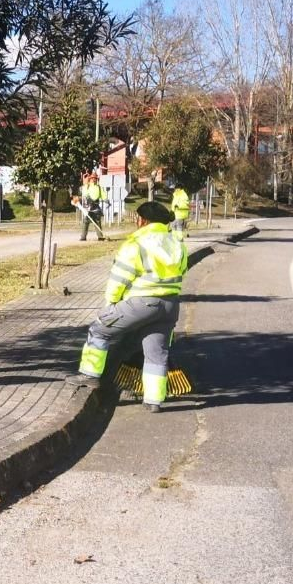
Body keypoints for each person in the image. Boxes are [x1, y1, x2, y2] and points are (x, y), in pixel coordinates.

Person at [67, 200, 187, 412]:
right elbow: (182, 273)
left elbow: (119, 278)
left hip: (141, 303)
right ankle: (154, 401)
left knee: (99, 329)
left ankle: (89, 375)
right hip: (170, 305)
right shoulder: (177, 243)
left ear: (142, 220)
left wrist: (111, 303)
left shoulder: (136, 244)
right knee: (156, 353)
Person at [78, 175, 107, 241]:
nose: (94, 180)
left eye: (95, 178)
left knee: (97, 222)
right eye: (92, 178)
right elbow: (84, 194)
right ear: (90, 179)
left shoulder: (99, 187)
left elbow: (103, 196)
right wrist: (84, 183)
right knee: (86, 222)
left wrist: (106, 201)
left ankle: (100, 236)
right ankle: (83, 237)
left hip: (96, 207)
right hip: (89, 207)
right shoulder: (87, 186)